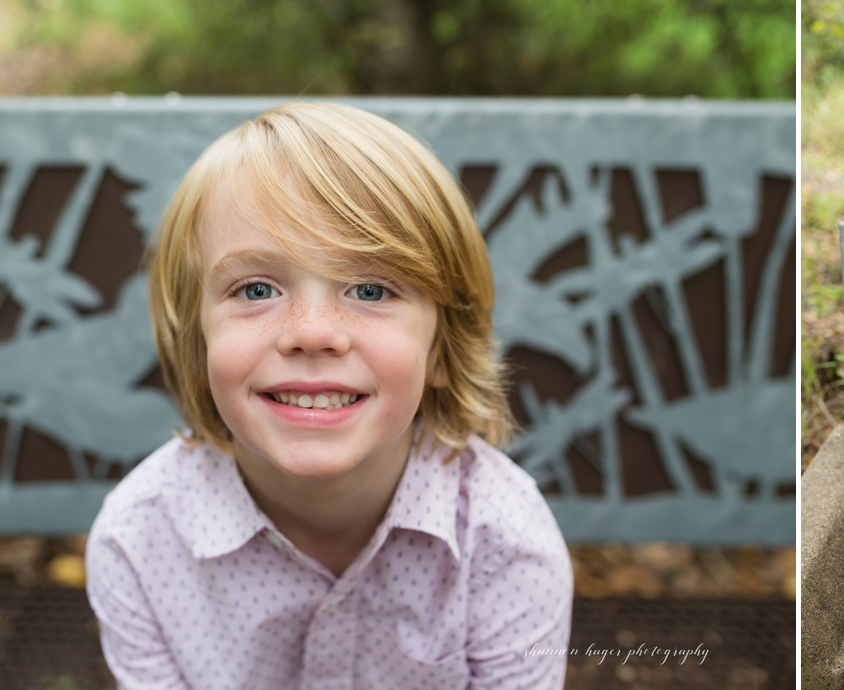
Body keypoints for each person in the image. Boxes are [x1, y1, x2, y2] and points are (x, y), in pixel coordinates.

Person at [85, 101, 573, 688]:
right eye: (257, 287)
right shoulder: (140, 541)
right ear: (199, 343)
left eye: (370, 288)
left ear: (441, 350)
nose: (313, 333)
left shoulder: (504, 544)